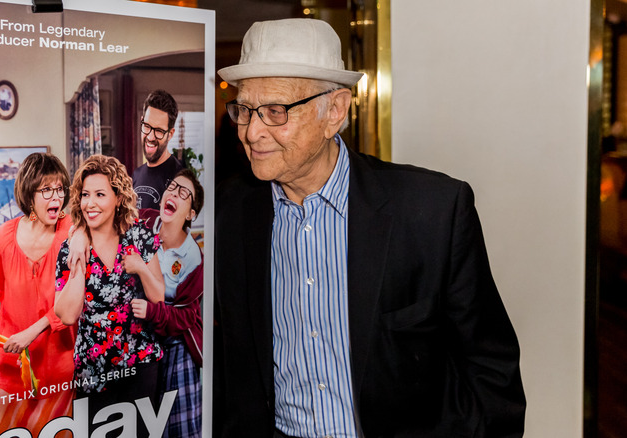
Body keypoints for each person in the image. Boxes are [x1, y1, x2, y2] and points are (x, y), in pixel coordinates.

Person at [213, 18, 526, 438]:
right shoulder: (229, 211)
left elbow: (491, 370)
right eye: (244, 110)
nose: (252, 132)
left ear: (335, 112)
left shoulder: (432, 211)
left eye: (275, 111)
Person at [0, 153, 76, 438]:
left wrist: (34, 332)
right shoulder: (3, 235)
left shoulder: (73, 233)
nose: (57, 197)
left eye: (60, 188)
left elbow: (76, 299)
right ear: (29, 195)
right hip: (12, 372)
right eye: (47, 190)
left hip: (59, 373)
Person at [55, 155, 165, 436]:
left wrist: (140, 267)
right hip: (94, 372)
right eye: (85, 195)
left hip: (139, 365)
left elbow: (159, 297)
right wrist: (79, 258)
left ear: (118, 198)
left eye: (100, 194)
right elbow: (67, 314)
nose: (90, 203)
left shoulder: (138, 237)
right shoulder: (70, 249)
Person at [131, 169, 205, 438]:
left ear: (190, 214)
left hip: (176, 344)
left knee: (179, 428)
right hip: (140, 337)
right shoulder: (144, 222)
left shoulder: (193, 259)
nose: (174, 192)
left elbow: (186, 318)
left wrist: (152, 311)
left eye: (184, 193)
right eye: (172, 187)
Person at [133, 90, 184, 210]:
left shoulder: (180, 179)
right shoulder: (136, 175)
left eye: (159, 131)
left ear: (170, 134)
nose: (150, 137)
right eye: (146, 126)